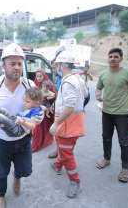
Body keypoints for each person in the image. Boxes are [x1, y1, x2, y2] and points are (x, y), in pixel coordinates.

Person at [0, 43, 35, 208]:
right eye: (12, 63)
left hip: (23, 138)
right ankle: (0, 195)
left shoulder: (29, 85)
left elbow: (38, 107)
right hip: (1, 140)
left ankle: (17, 178)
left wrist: (35, 118)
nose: (17, 67)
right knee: (1, 171)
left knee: (25, 169)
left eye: (19, 63)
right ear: (3, 65)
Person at [95, 48, 128, 183]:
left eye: (116, 56)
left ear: (121, 59)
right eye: (110, 56)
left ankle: (125, 169)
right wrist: (98, 94)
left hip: (123, 115)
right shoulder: (103, 74)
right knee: (106, 138)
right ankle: (106, 159)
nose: (113, 58)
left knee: (124, 142)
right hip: (106, 112)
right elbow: (98, 87)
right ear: (108, 58)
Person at [49, 51, 87, 198]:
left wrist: (56, 122)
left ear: (63, 65)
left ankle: (75, 182)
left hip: (67, 123)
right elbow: (83, 98)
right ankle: (58, 165)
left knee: (66, 153)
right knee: (64, 148)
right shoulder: (77, 79)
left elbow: (70, 106)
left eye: (57, 65)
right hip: (73, 121)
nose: (55, 68)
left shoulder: (69, 81)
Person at [31, 70, 56, 152]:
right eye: (37, 76)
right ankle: (38, 142)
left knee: (41, 127)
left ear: (44, 76)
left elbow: (54, 95)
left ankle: (37, 145)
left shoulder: (47, 84)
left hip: (45, 109)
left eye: (40, 76)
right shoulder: (34, 84)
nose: (38, 78)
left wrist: (49, 98)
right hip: (37, 108)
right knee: (37, 127)